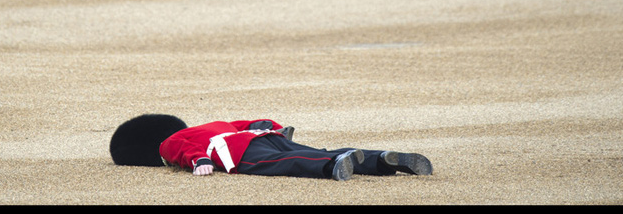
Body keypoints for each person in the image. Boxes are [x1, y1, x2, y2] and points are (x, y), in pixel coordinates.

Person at [110, 114, 433, 180]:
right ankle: (381, 160)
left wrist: (197, 162)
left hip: (237, 153)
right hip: (261, 136)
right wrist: (272, 127)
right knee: (317, 149)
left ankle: (332, 167)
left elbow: (179, 150)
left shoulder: (169, 143)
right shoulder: (210, 123)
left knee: (289, 162)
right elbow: (244, 123)